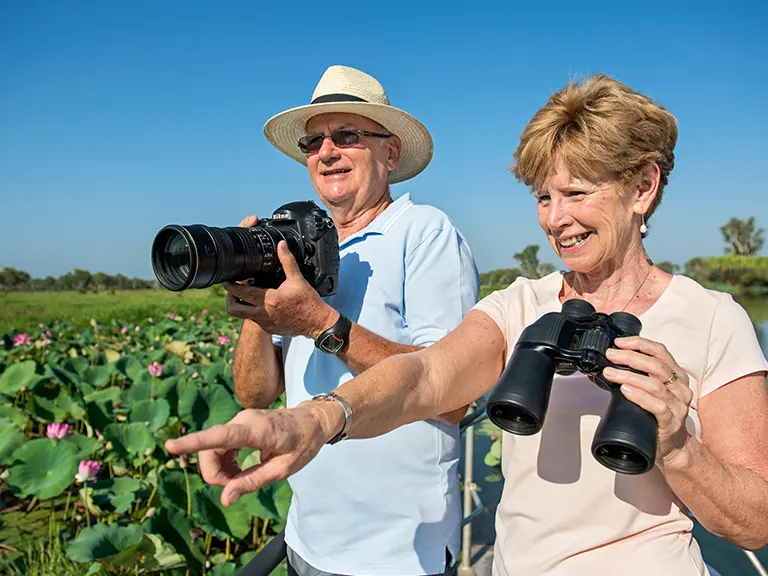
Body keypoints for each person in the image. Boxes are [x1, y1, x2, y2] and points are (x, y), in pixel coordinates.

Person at [167, 74, 768, 575]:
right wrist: (316, 419)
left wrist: (677, 446)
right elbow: (427, 377)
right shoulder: (521, 304)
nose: (555, 221)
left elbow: (753, 521)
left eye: (576, 194)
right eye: (542, 198)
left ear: (643, 187)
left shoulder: (712, 317)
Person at [210, 65, 479, 576]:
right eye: (314, 142)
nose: (326, 151)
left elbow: (455, 396)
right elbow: (255, 395)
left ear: (391, 152)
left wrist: (319, 323)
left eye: (347, 135)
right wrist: (258, 287)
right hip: (307, 537)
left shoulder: (425, 233)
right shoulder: (305, 250)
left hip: (398, 552)